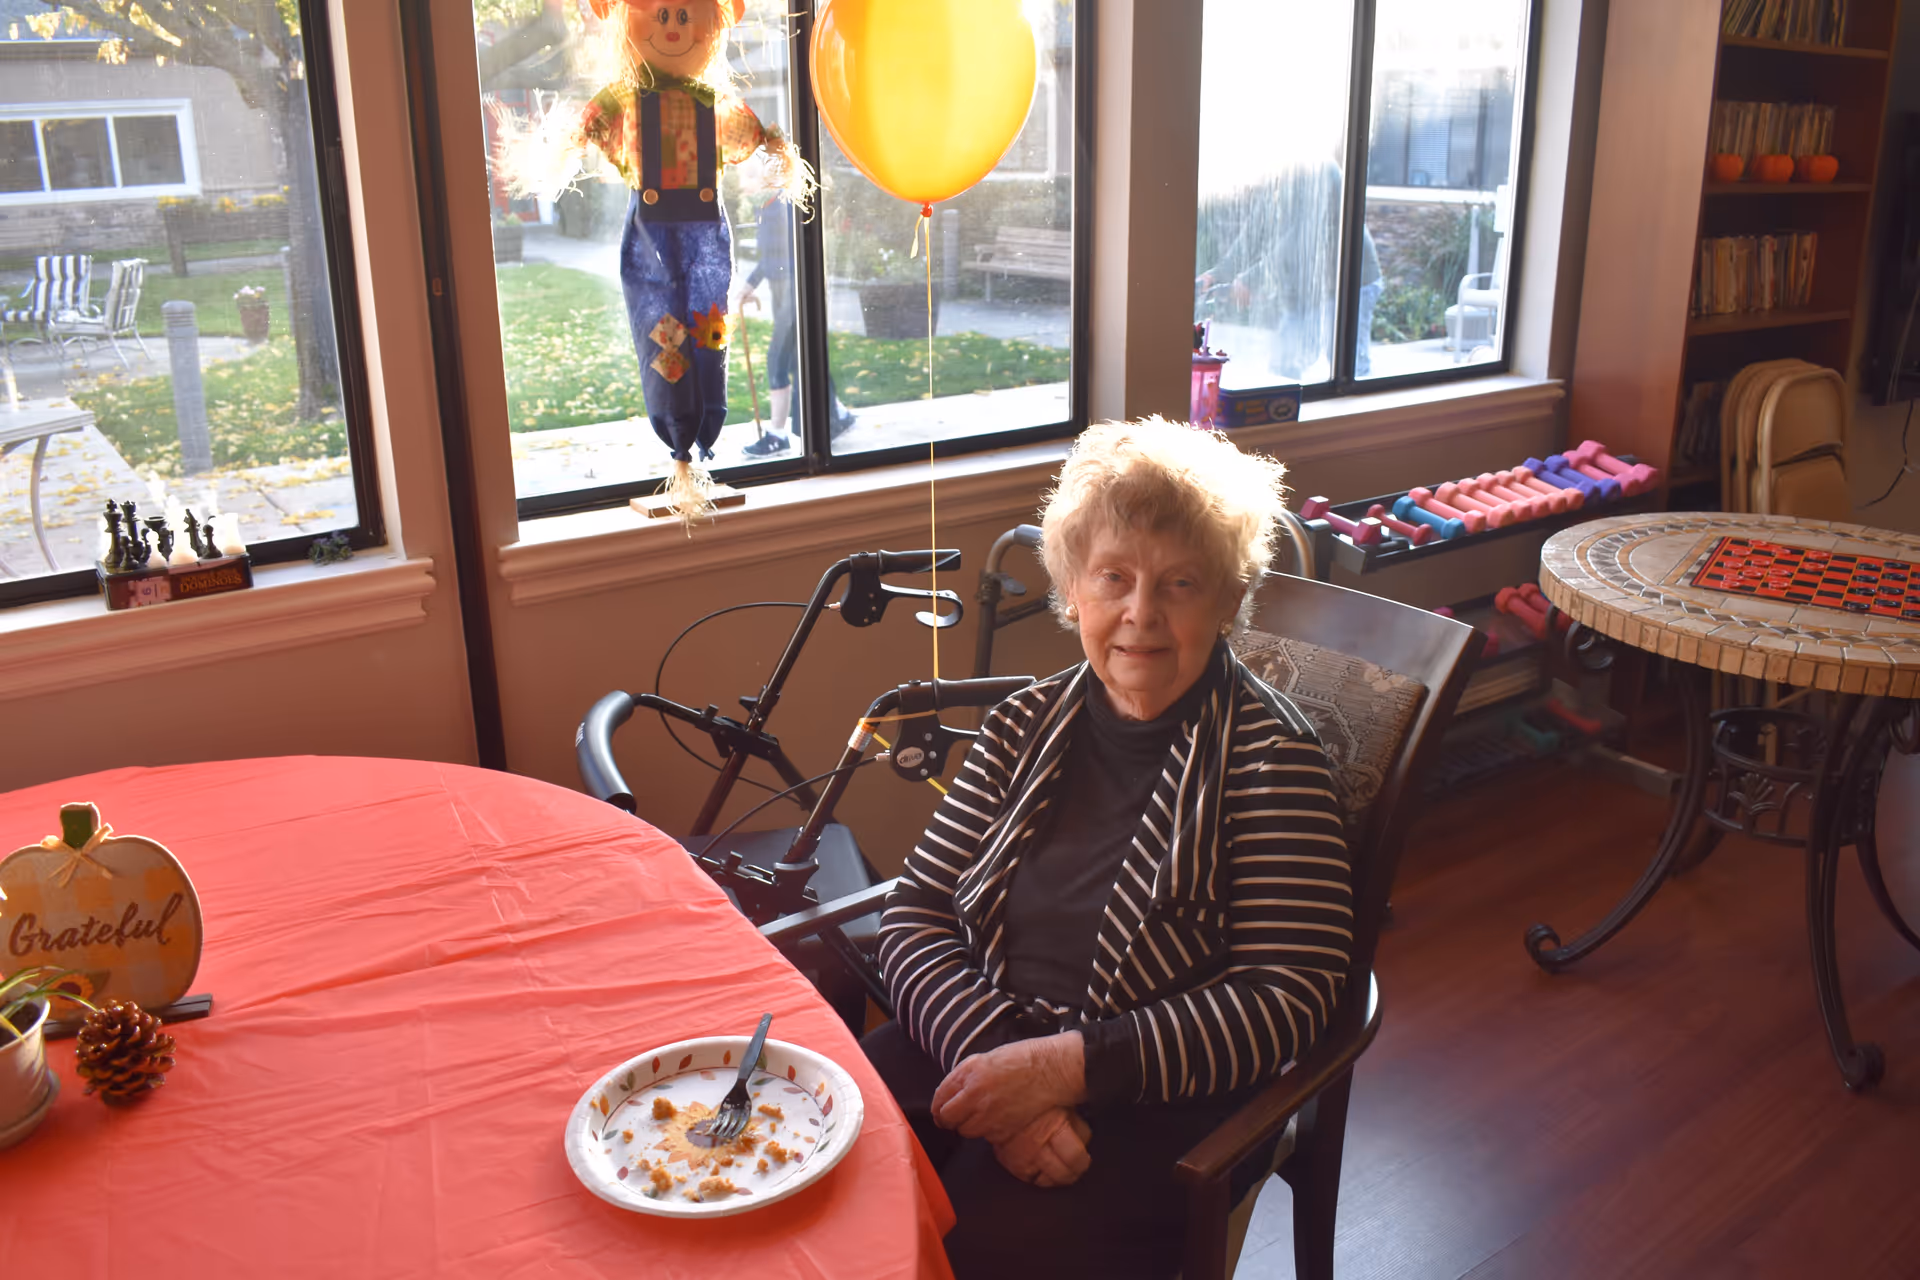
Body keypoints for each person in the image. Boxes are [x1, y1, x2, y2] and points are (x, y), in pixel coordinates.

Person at [864, 417, 1352, 1278]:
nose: (1141, 614)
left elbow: (1288, 994)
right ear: (1073, 593)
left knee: (975, 1256)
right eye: (1114, 578)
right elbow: (916, 914)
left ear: (1229, 600)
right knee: (824, 1180)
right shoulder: (1020, 723)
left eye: (1181, 584)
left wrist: (1067, 1071)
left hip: (1152, 1101)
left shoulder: (1272, 760)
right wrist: (1000, 1067)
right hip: (968, 1036)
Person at [735, 190, 856, 457]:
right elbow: (770, 255)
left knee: (777, 358)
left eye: (751, 177)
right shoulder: (767, 204)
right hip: (783, 286)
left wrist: (751, 283)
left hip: (796, 285)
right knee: (797, 358)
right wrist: (751, 284)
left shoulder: (784, 204)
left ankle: (778, 435)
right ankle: (838, 413)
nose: (745, 184)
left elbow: (792, 251)